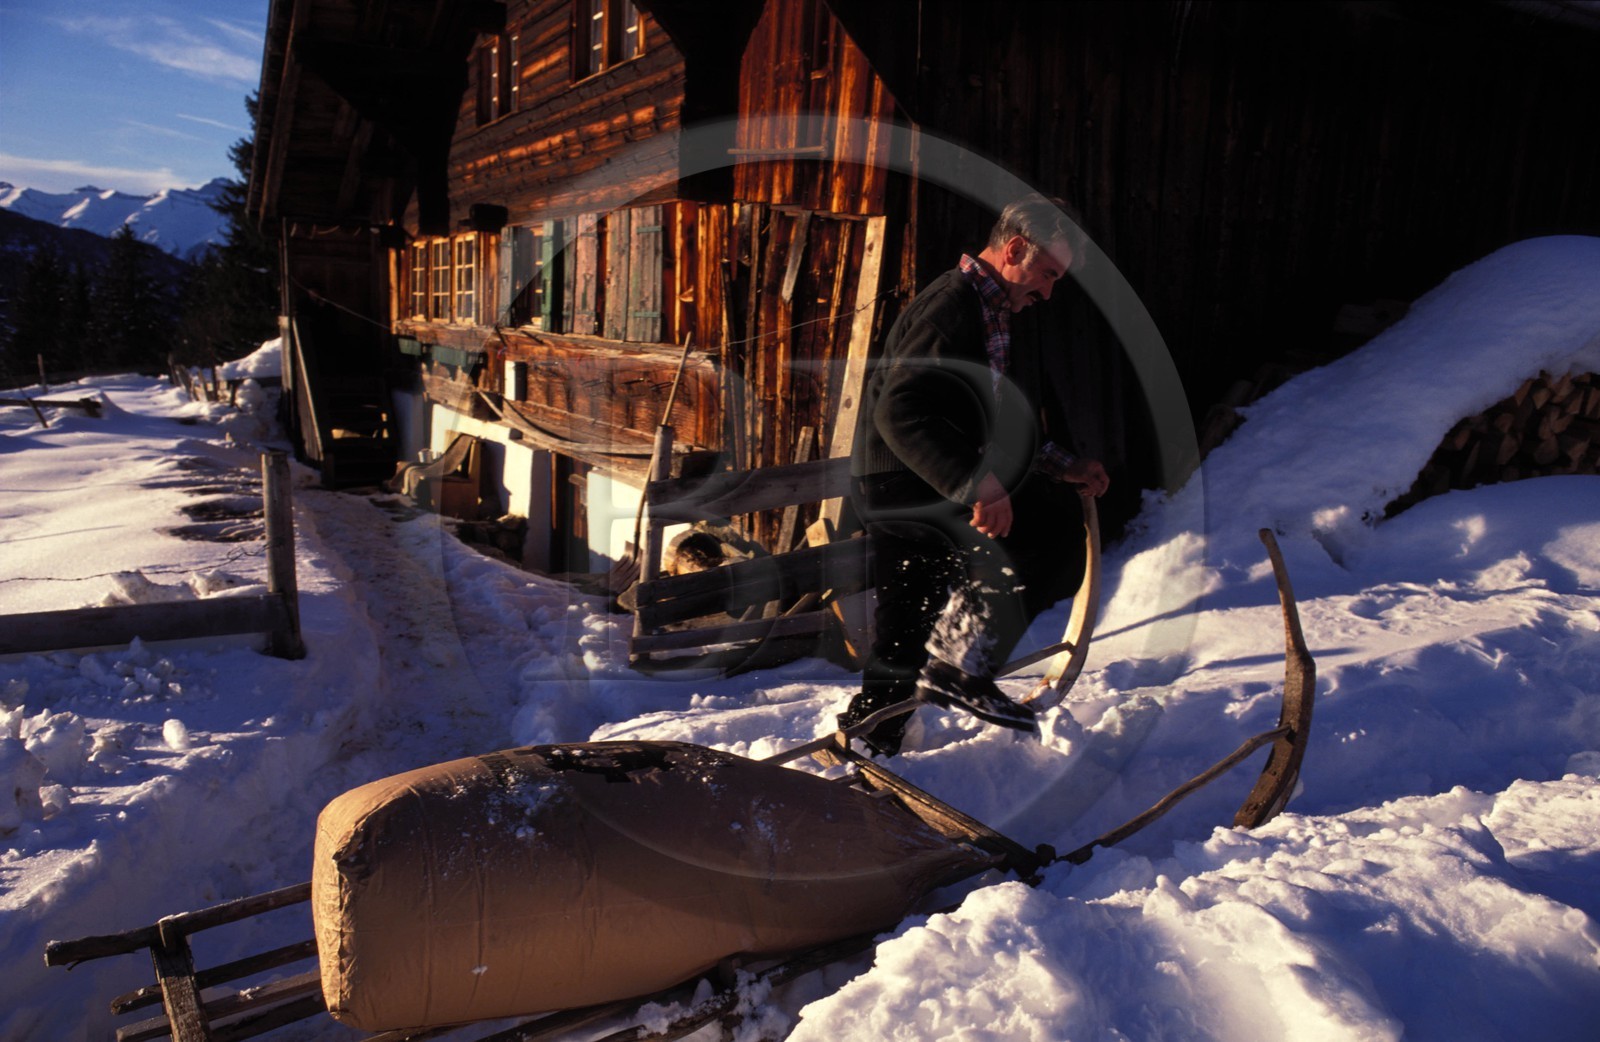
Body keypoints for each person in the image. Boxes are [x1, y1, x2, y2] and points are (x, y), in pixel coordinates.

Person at [839, 194, 1110, 756]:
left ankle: (875, 737)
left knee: (907, 623)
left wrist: (1064, 466)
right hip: (903, 480)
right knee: (1048, 534)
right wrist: (977, 485)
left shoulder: (992, 313)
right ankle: (957, 667)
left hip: (921, 481)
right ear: (1014, 249)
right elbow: (900, 410)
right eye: (1046, 274)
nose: (1047, 293)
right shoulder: (952, 306)